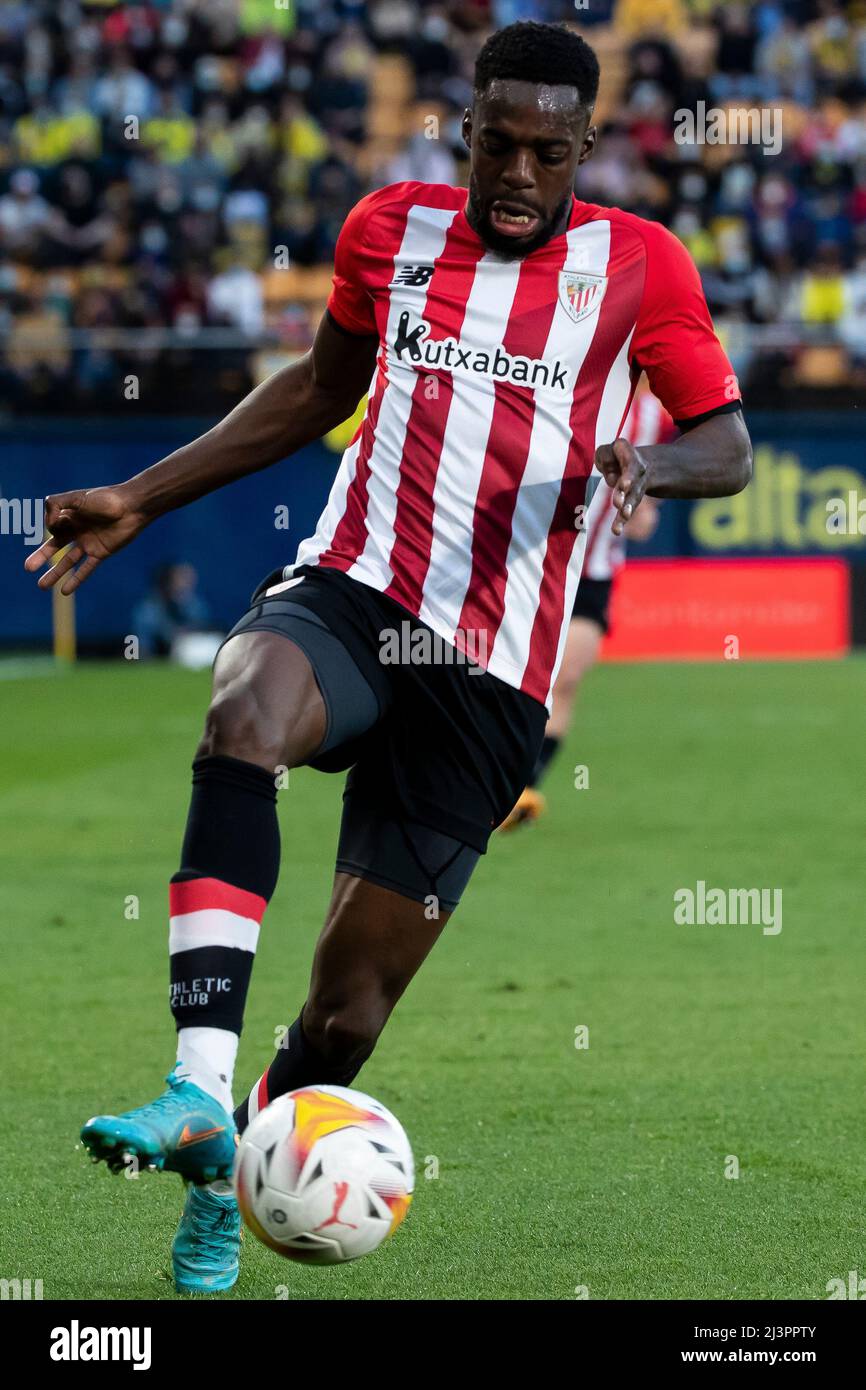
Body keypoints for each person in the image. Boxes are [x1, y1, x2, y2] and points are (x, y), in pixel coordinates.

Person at [24, 21, 752, 1294]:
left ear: (584, 146)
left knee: (345, 1017)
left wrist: (654, 463)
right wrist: (142, 493)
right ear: (463, 128)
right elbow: (315, 390)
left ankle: (231, 1165)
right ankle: (196, 1091)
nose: (517, 174)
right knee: (243, 710)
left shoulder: (640, 267)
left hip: (493, 669)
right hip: (359, 590)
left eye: (546, 151)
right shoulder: (386, 232)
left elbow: (728, 444)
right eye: (495, 143)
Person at [499, 384, 672, 830]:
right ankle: (486, 780)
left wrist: (642, 511)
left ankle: (523, 788)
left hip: (593, 571)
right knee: (509, 676)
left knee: (568, 676)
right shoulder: (567, 388)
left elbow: (647, 506)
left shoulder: (653, 418)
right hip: (534, 563)